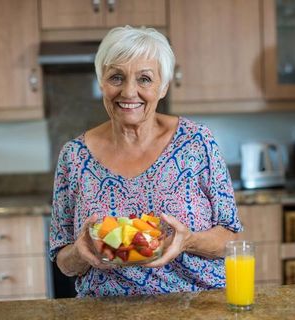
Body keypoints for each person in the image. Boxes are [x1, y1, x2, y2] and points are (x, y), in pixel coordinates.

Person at [49, 25, 242, 297]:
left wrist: (188, 241)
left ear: (162, 87)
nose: (129, 92)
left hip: (195, 306)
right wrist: (81, 253)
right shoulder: (74, 156)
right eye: (116, 77)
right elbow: (63, 261)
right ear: (101, 82)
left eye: (144, 79)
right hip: (105, 311)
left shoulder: (196, 142)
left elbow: (232, 238)